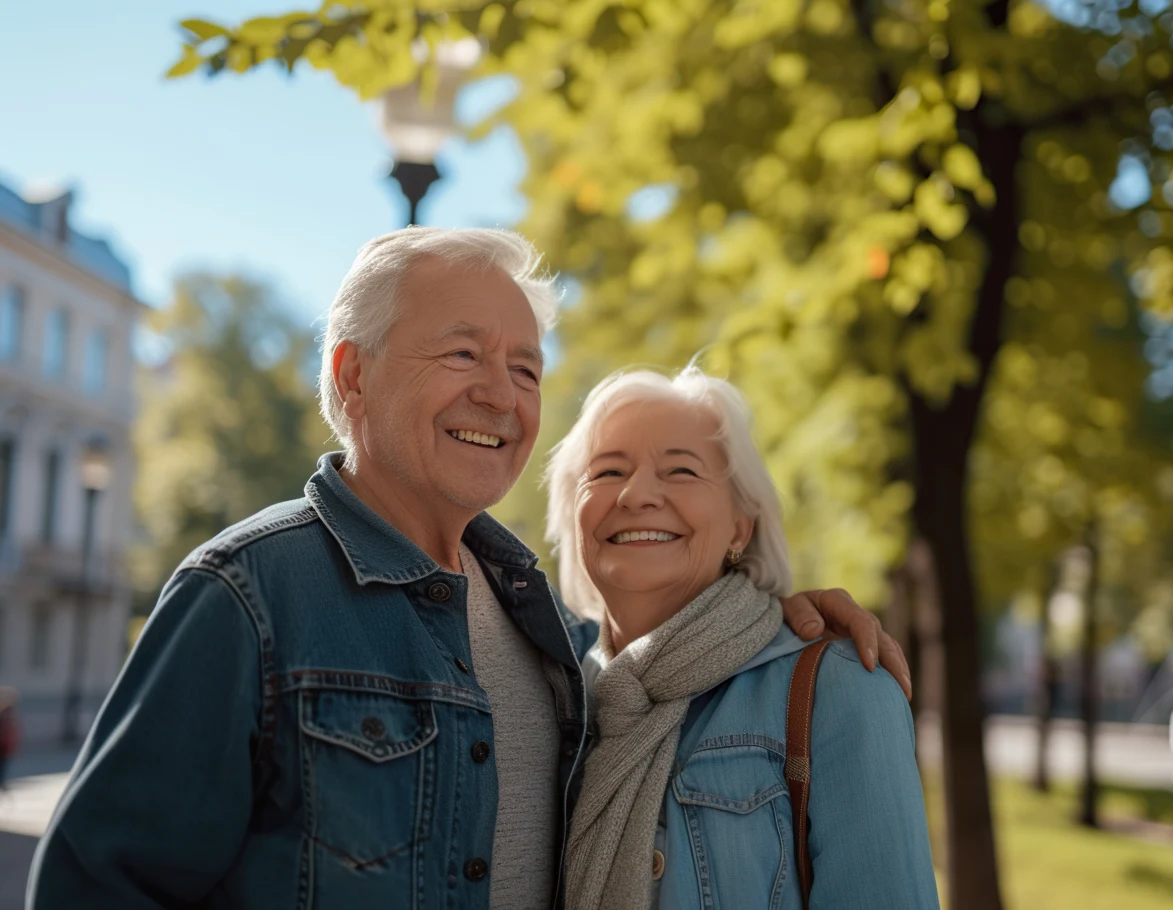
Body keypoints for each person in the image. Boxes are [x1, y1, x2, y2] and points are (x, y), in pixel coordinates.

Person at [28, 227, 909, 910]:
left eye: (525, 368)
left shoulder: (560, 649)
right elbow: (96, 887)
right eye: (462, 353)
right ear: (353, 375)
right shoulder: (248, 597)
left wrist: (780, 613)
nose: (502, 391)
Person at [547, 368, 939, 910]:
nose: (636, 494)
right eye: (608, 471)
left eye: (680, 470)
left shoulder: (841, 690)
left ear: (740, 526)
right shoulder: (553, 703)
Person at [0, 687, 19, 791]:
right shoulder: (4, 714)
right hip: (2, 747)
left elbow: (13, 732)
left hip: (6, 748)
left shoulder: (10, 713)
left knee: (3, 769)